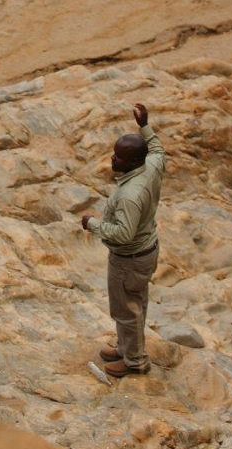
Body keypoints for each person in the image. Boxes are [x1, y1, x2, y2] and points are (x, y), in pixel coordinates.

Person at [81, 103, 165, 377]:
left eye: (118, 157)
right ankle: (126, 346)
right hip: (145, 250)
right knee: (133, 303)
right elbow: (157, 149)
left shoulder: (130, 195)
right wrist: (145, 125)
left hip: (129, 258)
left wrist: (93, 224)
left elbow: (124, 233)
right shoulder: (150, 165)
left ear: (131, 162)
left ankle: (135, 361)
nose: (112, 159)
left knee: (127, 309)